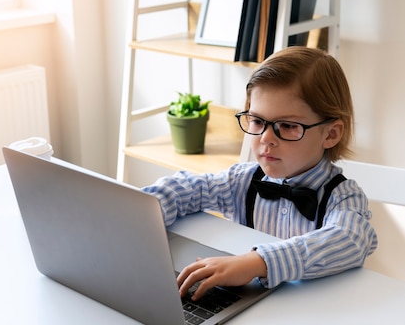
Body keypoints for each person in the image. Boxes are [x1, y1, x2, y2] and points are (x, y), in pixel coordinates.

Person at [142, 46, 378, 300]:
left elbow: (349, 239)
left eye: (287, 126)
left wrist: (256, 263)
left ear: (330, 134)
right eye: (257, 121)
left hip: (318, 319)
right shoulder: (242, 181)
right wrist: (140, 216)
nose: (266, 138)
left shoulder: (344, 197)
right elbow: (187, 188)